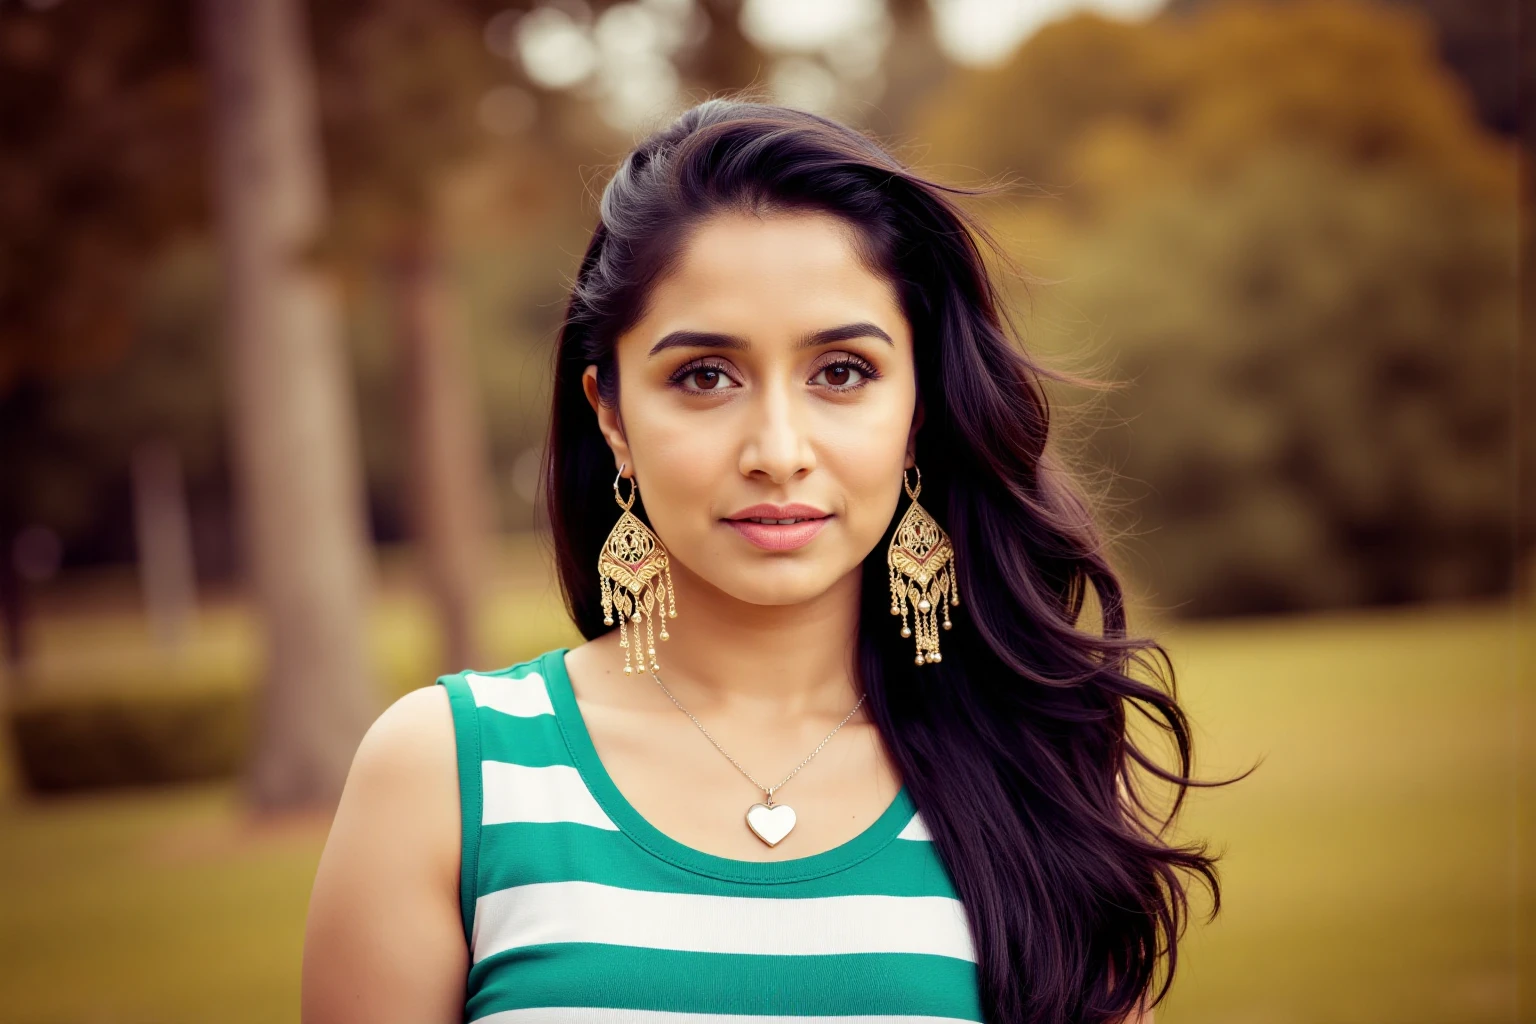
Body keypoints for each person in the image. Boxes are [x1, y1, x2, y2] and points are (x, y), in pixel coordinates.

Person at [301, 99, 1219, 1024]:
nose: (777, 449)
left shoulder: (1035, 768)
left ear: (920, 413)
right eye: (705, 376)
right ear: (611, 414)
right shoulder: (446, 775)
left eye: (842, 373)